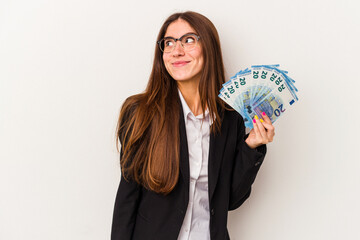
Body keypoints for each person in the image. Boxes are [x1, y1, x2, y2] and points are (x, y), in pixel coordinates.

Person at [111, 11, 275, 240]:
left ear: (209, 47)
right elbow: (127, 197)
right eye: (169, 43)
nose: (177, 50)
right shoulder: (140, 113)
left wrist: (251, 147)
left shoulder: (230, 118)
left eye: (188, 40)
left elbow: (231, 200)